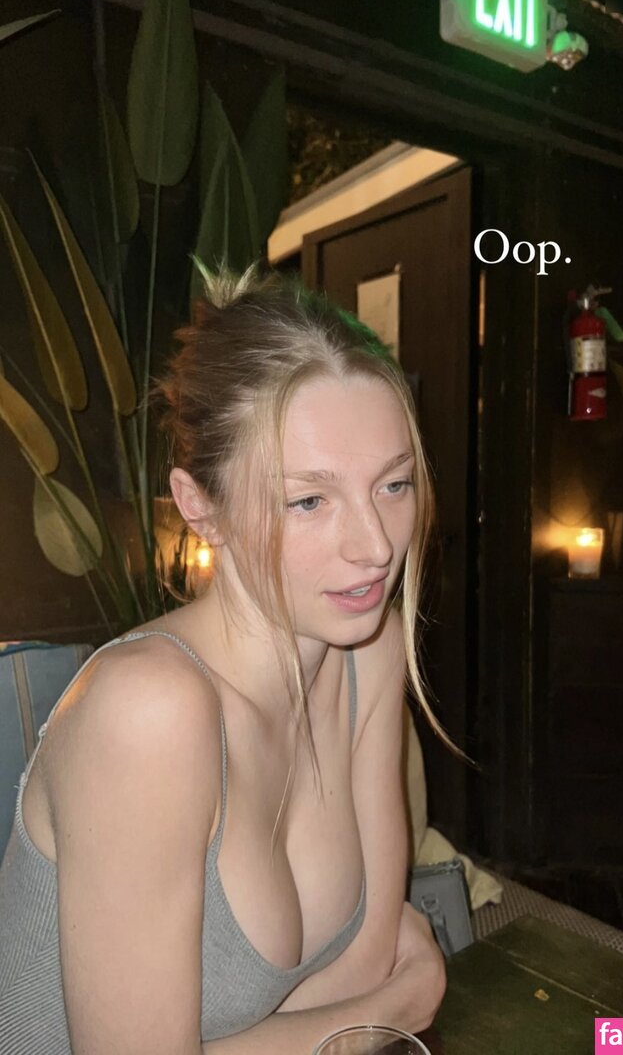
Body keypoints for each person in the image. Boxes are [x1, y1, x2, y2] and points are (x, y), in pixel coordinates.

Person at [0, 267, 449, 1054]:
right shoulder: (149, 712)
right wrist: (399, 1005)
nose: (375, 546)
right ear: (199, 505)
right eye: (308, 500)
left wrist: (374, 996)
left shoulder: (367, 649)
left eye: (393, 484)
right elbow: (380, 992)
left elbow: (366, 958)